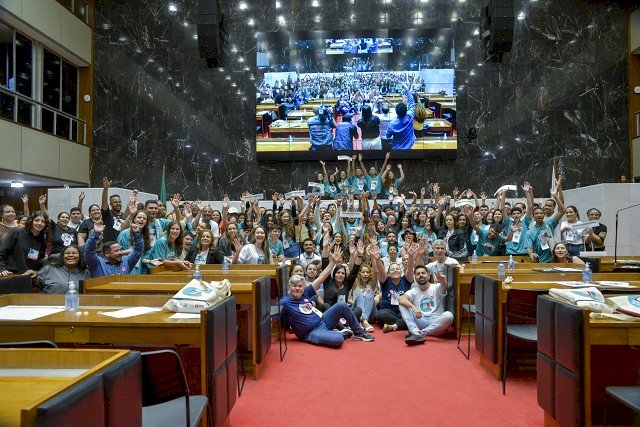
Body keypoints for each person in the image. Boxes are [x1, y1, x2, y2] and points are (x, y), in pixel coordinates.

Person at [279, 247, 374, 348]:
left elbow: (321, 278)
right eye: (294, 286)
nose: (297, 288)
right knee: (338, 340)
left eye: (300, 286)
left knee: (341, 305)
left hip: (323, 320)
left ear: (304, 287)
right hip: (310, 333)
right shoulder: (284, 302)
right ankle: (339, 333)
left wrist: (333, 262)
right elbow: (272, 319)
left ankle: (358, 332)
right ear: (290, 287)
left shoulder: (305, 292)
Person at [399, 264, 454, 345]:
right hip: (421, 320)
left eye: (423, 273)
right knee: (402, 305)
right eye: (418, 274)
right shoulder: (413, 291)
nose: (421, 275)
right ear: (415, 278)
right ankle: (415, 331)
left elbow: (443, 286)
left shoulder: (436, 287)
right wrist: (413, 307)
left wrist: (443, 281)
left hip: (437, 323)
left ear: (428, 276)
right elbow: (400, 299)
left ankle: (418, 334)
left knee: (449, 315)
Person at [369, 242, 417, 332]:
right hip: (388, 310)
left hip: (403, 309)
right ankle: (403, 324)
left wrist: (410, 256)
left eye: (397, 269)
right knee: (380, 315)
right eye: (392, 269)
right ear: (389, 273)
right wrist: (377, 259)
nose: (395, 270)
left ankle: (394, 326)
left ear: (401, 271)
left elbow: (410, 268)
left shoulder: (406, 280)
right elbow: (381, 270)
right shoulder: (386, 280)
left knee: (412, 316)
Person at [525, 180, 565, 263]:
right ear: (533, 216)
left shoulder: (550, 223)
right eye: (537, 213)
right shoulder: (530, 232)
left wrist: (555, 196)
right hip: (539, 261)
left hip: (553, 260)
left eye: (541, 213)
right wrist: (530, 254)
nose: (539, 215)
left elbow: (562, 210)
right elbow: (528, 247)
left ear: (544, 215)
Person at [0, 211, 48, 276]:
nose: (39, 223)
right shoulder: (17, 232)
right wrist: (2, 269)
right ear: (31, 221)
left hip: (28, 274)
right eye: (37, 220)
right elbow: (1, 251)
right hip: (10, 273)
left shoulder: (42, 240)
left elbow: (38, 260)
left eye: (43, 221)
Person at [385, 85, 416, 149]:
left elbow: (388, 136)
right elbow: (412, 102)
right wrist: (407, 89)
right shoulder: (410, 116)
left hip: (397, 150)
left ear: (396, 112)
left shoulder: (392, 123)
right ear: (406, 111)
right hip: (409, 148)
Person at [100, 177, 125, 242]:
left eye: (119, 202)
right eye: (115, 202)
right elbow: (104, 203)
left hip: (122, 246)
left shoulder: (124, 215)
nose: (118, 203)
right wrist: (105, 189)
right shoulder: (108, 214)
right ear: (110, 204)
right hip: (109, 246)